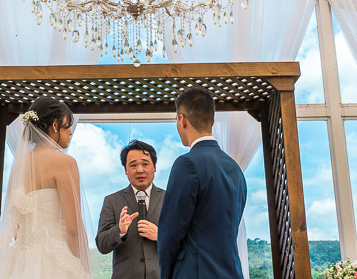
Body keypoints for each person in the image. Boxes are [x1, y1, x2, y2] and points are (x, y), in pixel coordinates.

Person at [0, 96, 92, 279]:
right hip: (54, 261)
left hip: (20, 263)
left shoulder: (20, 166)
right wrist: (81, 267)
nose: (70, 132)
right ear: (54, 125)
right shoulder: (64, 163)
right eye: (68, 126)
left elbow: (17, 225)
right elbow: (74, 229)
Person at [157, 87, 247, 279]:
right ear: (212, 121)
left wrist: (165, 272)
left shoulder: (187, 164)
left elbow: (171, 232)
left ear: (182, 120)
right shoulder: (236, 169)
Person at [96, 140, 165, 278]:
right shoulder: (111, 201)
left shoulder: (170, 198)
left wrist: (161, 235)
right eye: (133, 165)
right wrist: (119, 231)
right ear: (125, 170)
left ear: (155, 167)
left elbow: (185, 240)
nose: (140, 170)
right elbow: (102, 245)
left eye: (145, 164)